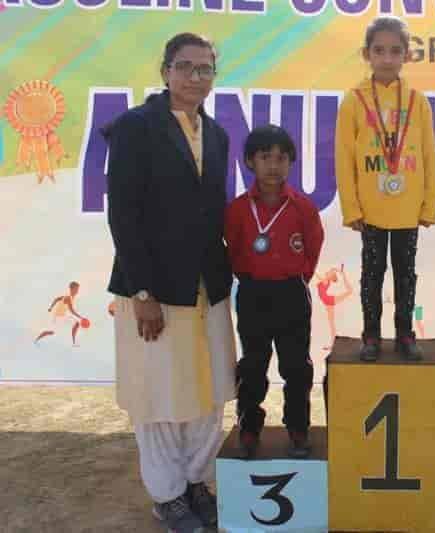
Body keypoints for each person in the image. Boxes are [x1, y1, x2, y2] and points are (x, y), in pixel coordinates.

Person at [104, 33, 236, 532]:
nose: (195, 77)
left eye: (205, 69)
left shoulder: (218, 135)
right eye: (185, 67)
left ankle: (197, 482)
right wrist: (143, 292)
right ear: (165, 71)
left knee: (209, 390)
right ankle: (168, 496)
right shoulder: (135, 127)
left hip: (207, 286)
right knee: (157, 396)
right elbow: (123, 214)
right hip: (153, 290)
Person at [335, 15, 435, 362]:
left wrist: (428, 205)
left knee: (406, 276)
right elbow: (344, 158)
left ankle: (405, 333)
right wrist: (351, 207)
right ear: (367, 54)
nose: (387, 58)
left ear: (407, 55)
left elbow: (428, 155)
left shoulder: (417, 101)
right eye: (379, 50)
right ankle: (371, 336)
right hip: (371, 209)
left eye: (395, 51)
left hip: (408, 207)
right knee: (372, 276)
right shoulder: (354, 101)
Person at [225, 125, 324, 459]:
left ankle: (298, 428)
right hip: (253, 293)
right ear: (250, 161)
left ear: (291, 163)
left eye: (281, 158)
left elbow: (313, 246)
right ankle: (249, 428)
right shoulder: (238, 209)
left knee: (296, 366)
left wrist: (297, 277)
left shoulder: (303, 207)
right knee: (253, 365)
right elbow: (233, 248)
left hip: (291, 293)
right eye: (265, 157)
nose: (273, 166)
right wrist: (250, 277)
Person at [35, 281, 87, 347]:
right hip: (58, 318)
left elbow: (57, 299)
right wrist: (81, 318)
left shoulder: (68, 296)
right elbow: (72, 311)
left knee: (76, 323)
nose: (77, 291)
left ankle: (74, 342)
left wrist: (51, 307)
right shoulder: (68, 298)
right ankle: (37, 340)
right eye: (76, 289)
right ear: (72, 289)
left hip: (62, 316)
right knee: (51, 332)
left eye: (78, 289)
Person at [315, 264, 354, 350]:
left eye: (329, 273)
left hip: (329, 301)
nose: (328, 272)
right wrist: (338, 270)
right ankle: (332, 344)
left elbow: (317, 274)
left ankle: (332, 344)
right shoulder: (326, 280)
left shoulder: (325, 280)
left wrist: (341, 273)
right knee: (332, 324)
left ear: (330, 276)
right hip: (328, 303)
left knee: (349, 291)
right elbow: (332, 269)